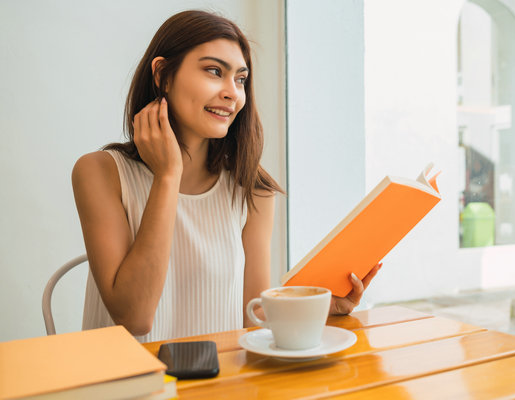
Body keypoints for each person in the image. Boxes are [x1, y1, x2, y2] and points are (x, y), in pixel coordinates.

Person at [72, 10, 381, 343]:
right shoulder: (100, 172)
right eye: (214, 71)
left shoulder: (252, 189)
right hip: (128, 389)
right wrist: (167, 176)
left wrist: (322, 306)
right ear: (162, 74)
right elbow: (134, 318)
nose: (232, 92)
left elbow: (254, 314)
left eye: (240, 79)